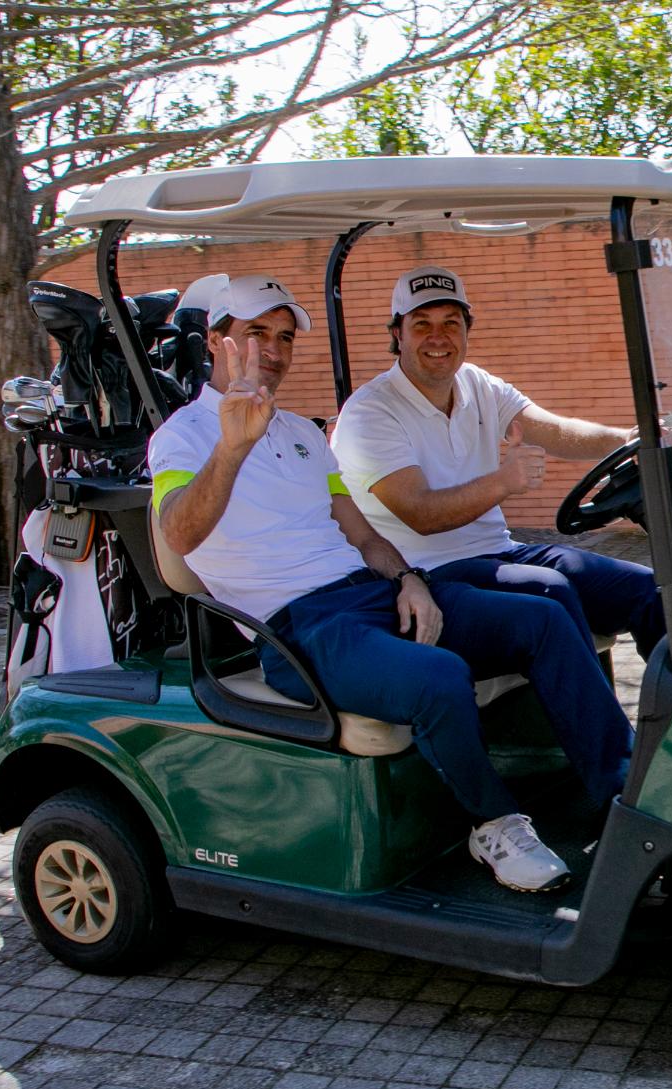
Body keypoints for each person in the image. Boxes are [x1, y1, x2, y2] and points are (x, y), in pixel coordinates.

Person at [148, 273, 631, 892]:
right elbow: (180, 534)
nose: (273, 349)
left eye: (285, 337)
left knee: (542, 617)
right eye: (256, 333)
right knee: (440, 677)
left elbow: (362, 534)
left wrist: (408, 579)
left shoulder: (300, 433)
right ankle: (495, 824)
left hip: (369, 593)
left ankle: (622, 790)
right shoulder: (182, 436)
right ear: (217, 342)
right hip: (298, 628)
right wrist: (232, 447)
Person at [331, 265, 665, 661]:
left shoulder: (477, 383)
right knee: (551, 591)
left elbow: (553, 429)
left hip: (498, 551)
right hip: (428, 573)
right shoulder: (372, 411)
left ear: (466, 331)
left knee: (649, 589)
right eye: (421, 324)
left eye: (451, 323)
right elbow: (421, 514)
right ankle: (588, 703)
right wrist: (504, 481)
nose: (438, 337)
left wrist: (626, 438)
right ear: (397, 334)